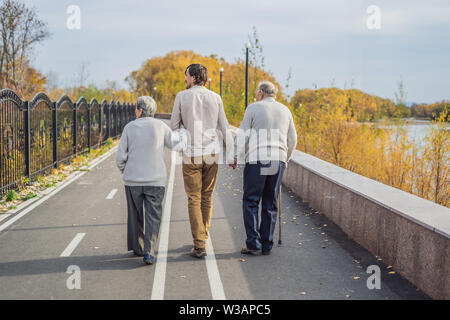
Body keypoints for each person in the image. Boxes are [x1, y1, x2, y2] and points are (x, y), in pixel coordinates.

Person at [170, 63, 232, 258]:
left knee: (194, 198)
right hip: (212, 154)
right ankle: (202, 237)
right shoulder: (216, 98)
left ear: (194, 77)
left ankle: (199, 243)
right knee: (207, 197)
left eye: (186, 75)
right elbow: (225, 128)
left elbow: (173, 124)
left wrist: (183, 131)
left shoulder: (182, 96)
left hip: (191, 154)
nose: (185, 79)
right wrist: (231, 154)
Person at [116, 96, 186, 265]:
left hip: (133, 181)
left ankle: (138, 247)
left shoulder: (129, 127)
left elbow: (120, 156)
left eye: (136, 108)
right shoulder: (161, 126)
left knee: (135, 215)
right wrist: (183, 131)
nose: (135, 111)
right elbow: (176, 145)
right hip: (155, 180)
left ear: (140, 111)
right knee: (153, 216)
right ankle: (149, 251)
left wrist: (125, 169)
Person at [231, 81, 297, 256]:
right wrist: (286, 158)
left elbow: (243, 134)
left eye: (256, 92)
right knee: (270, 202)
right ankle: (267, 244)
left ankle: (253, 243)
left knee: (251, 200)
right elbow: (293, 139)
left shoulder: (253, 108)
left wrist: (235, 156)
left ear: (261, 93)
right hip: (277, 160)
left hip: (257, 159)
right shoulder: (285, 110)